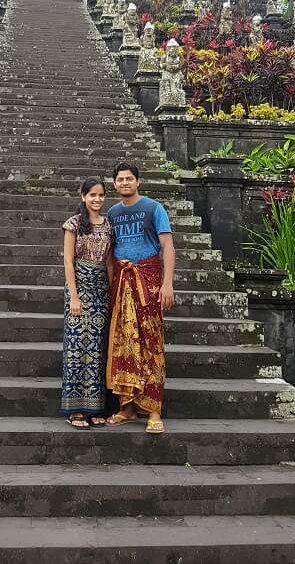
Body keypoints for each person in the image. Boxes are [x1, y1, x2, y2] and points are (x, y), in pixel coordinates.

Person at [105, 160, 175, 434]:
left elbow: (168, 246)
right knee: (124, 341)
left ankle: (153, 410)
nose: (124, 183)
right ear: (114, 184)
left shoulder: (153, 208)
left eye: (129, 179)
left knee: (150, 340)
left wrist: (167, 284)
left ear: (138, 182)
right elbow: (109, 250)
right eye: (120, 179)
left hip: (149, 280)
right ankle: (127, 407)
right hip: (122, 282)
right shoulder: (112, 212)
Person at [61, 177, 114, 428]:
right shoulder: (73, 224)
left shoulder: (109, 225)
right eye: (92, 195)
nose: (97, 199)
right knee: (76, 347)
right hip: (78, 289)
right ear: (83, 196)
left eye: (101, 195)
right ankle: (75, 410)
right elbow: (68, 262)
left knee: (97, 348)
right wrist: (74, 296)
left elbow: (111, 262)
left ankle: (95, 408)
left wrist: (113, 292)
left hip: (101, 289)